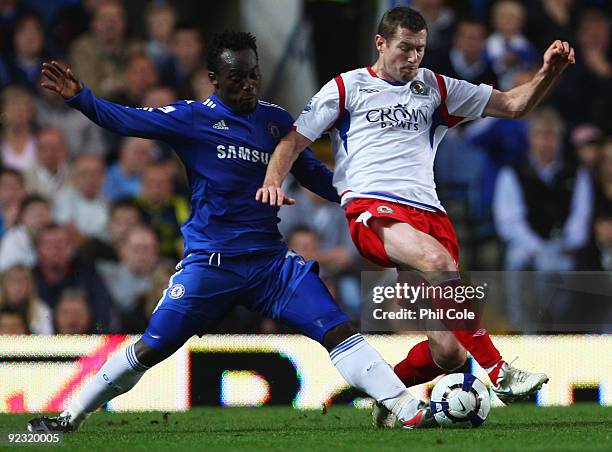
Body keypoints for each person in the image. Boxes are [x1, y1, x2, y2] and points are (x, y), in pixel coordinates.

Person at [28, 31, 432, 433]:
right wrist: (82, 98)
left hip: (270, 265)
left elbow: (315, 176)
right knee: (151, 347)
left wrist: (369, 196)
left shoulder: (275, 122)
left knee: (338, 328)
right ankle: (69, 417)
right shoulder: (192, 118)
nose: (248, 84)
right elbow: (128, 120)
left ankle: (408, 408)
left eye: (253, 75)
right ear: (214, 78)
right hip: (211, 265)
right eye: (237, 77)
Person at [256, 6, 574, 427]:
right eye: (404, 48)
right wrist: (273, 181)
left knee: (448, 352)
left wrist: (548, 72)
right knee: (438, 263)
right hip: (373, 209)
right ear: (381, 43)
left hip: (430, 216)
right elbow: (293, 142)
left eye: (419, 50)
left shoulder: (436, 88)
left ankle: (384, 396)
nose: (412, 58)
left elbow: (514, 105)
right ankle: (501, 372)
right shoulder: (346, 88)